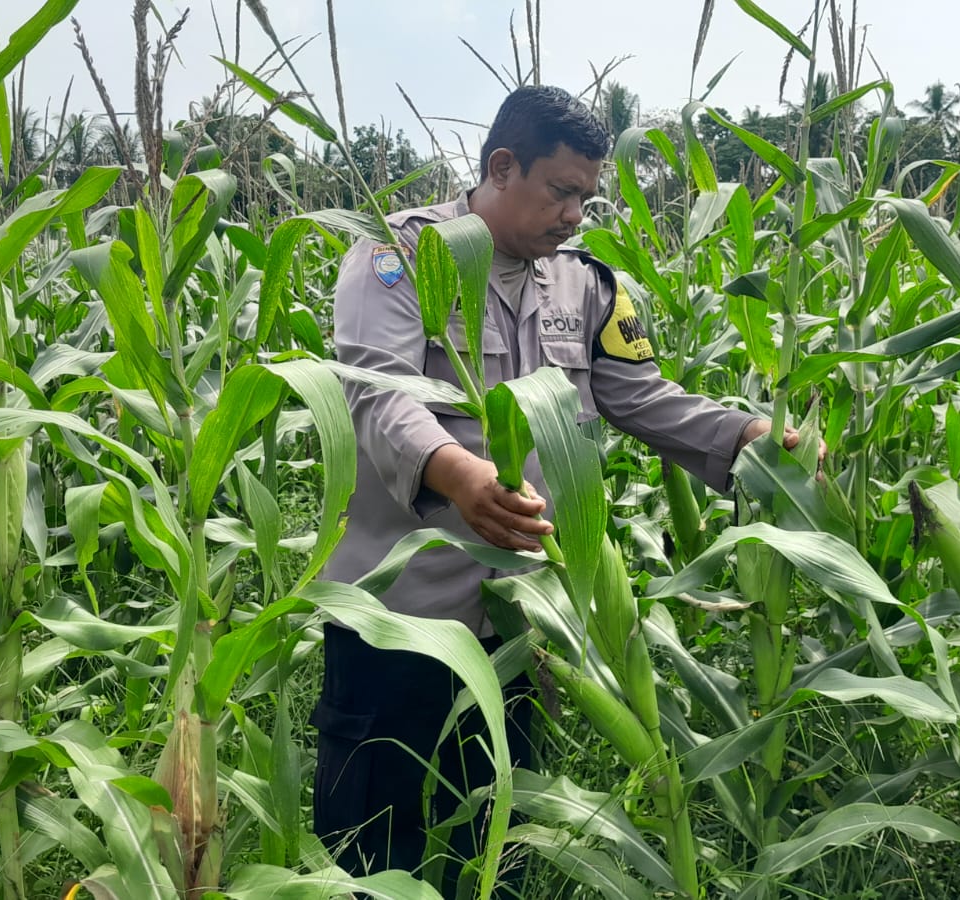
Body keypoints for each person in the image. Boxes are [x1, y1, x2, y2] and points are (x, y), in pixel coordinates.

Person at [312, 85, 806, 890]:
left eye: (587, 196)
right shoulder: (400, 258)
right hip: (399, 617)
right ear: (503, 167)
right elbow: (376, 395)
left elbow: (644, 397)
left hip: (526, 620)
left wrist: (743, 436)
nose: (575, 215)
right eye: (561, 191)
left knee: (498, 841)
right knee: (375, 842)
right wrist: (460, 474)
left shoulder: (586, 285)